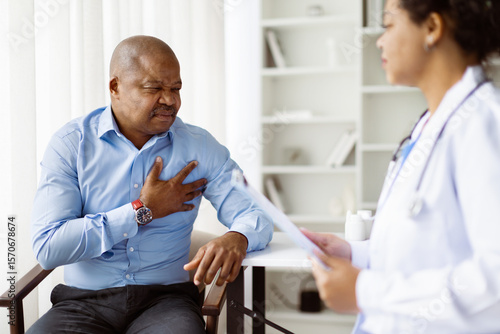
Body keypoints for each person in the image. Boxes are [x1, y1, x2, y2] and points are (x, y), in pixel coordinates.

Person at [28, 35, 273, 333]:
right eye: (154, 88)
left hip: (167, 303)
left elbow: (255, 214)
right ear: (115, 87)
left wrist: (238, 236)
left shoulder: (200, 147)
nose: (170, 100)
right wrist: (141, 210)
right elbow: (49, 246)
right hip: (82, 303)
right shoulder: (71, 145)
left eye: (176, 89)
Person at [303, 0, 500, 333]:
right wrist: (354, 253)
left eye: (389, 25)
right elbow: (433, 245)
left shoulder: (483, 125)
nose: (380, 40)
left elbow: (493, 285)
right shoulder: (430, 125)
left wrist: (365, 291)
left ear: (433, 28)